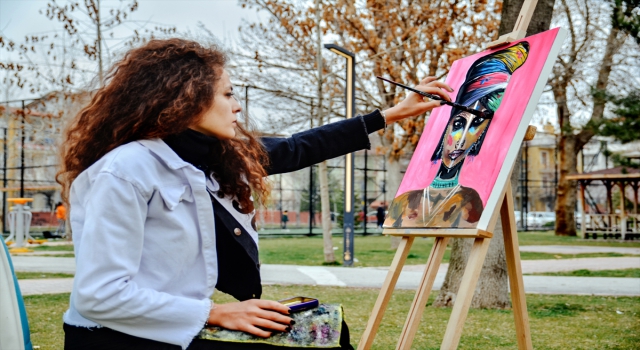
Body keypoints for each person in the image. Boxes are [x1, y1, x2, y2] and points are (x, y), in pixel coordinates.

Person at [57, 38, 452, 350]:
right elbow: (99, 297)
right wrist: (216, 313)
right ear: (186, 99)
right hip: (120, 338)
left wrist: (391, 114)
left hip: (176, 326)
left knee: (328, 328)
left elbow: (300, 146)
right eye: (227, 94)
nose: (238, 106)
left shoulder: (215, 158)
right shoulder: (125, 171)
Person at [385, 42, 529, 229]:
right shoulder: (403, 202)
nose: (461, 139)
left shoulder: (470, 203)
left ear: (481, 135)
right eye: (459, 124)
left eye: (475, 125)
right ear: (447, 126)